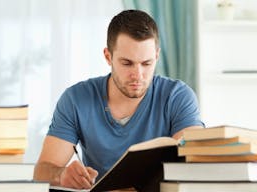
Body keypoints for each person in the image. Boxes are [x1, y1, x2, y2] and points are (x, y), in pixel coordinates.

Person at [33, 9, 204, 190]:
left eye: (146, 64)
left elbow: (192, 163)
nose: (138, 75)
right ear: (108, 57)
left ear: (156, 56)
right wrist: (62, 174)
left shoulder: (178, 96)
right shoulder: (76, 99)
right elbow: (42, 171)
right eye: (127, 63)